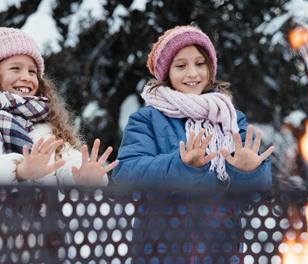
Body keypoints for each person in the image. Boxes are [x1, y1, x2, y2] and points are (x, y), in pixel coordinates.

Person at [0, 27, 118, 185]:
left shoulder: (45, 125)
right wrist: (19, 169)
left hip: (41, 225)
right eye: (15, 68)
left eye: (33, 71)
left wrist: (83, 174)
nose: (27, 77)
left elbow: (65, 160)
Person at [112, 25, 273, 189]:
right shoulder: (147, 119)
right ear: (167, 73)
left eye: (200, 63)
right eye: (181, 66)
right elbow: (125, 174)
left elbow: (259, 189)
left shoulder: (230, 116)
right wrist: (181, 165)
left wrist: (251, 171)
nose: (193, 73)